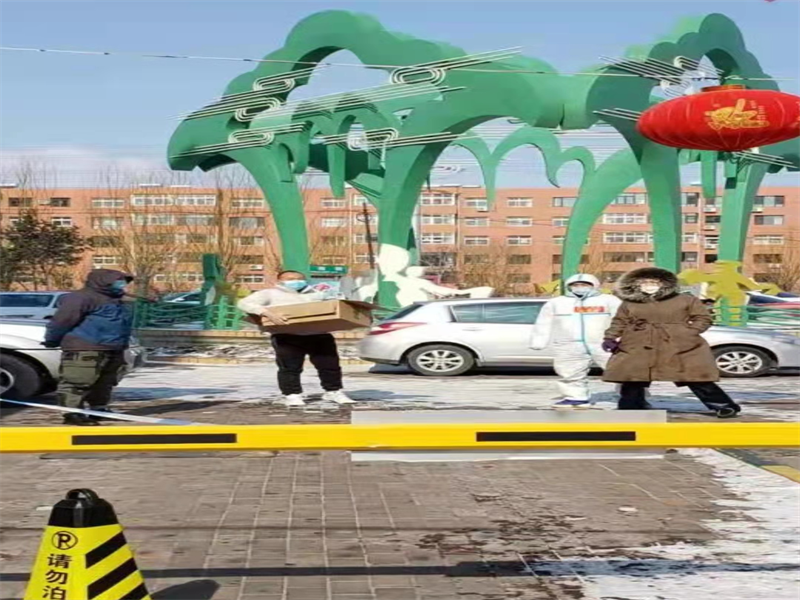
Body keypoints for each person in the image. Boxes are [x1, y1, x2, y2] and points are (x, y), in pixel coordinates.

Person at [601, 267, 741, 418]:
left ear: (664, 283)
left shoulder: (686, 299)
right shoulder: (630, 302)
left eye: (653, 282)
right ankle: (630, 407)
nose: (649, 285)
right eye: (644, 282)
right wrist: (610, 337)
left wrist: (688, 332)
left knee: (694, 377)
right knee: (633, 377)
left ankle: (724, 406)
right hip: (638, 342)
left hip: (678, 343)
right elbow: (620, 321)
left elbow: (703, 318)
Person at [237, 270, 355, 407]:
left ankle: (333, 391)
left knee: (330, 365)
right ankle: (292, 394)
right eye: (291, 279)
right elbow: (244, 303)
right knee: (290, 367)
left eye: (300, 278)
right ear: (280, 281)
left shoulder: (316, 294)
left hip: (319, 334)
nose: (296, 281)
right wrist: (267, 313)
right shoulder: (269, 293)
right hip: (287, 335)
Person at [43, 269, 135, 426]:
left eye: (123, 281)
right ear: (103, 281)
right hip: (85, 346)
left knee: (105, 382)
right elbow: (61, 321)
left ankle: (98, 409)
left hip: (113, 347)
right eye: (117, 281)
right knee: (78, 380)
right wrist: (52, 339)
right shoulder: (81, 298)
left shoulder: (115, 299)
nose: (121, 284)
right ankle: (72, 413)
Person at [530, 273, 622, 407]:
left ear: (594, 285)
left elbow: (621, 320)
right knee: (569, 372)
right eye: (575, 285)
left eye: (584, 285)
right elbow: (543, 322)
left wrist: (619, 338)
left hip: (604, 343)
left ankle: (633, 396)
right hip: (568, 344)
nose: (579, 287)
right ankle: (576, 397)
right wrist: (538, 341)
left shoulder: (609, 300)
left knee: (622, 370)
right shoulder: (557, 302)